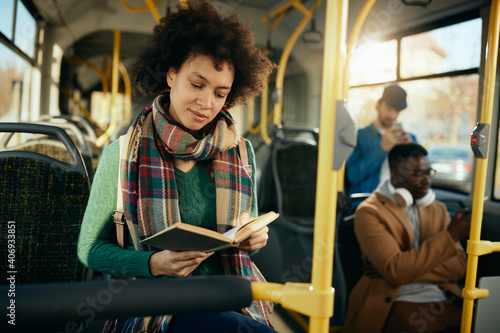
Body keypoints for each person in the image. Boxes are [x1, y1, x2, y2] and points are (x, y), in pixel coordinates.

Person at [77, 1, 276, 332]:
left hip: (228, 292)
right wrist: (153, 263)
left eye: (220, 93)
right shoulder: (123, 154)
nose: (206, 103)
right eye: (197, 85)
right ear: (171, 75)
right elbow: (89, 250)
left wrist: (253, 236)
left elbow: (246, 221)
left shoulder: (242, 151)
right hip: (154, 300)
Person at [343, 143, 470, 333]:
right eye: (418, 174)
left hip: (439, 297)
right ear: (396, 176)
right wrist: (450, 237)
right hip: (395, 299)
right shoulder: (369, 212)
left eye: (429, 172)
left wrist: (404, 267)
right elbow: (396, 270)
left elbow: (459, 266)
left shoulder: (437, 209)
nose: (427, 180)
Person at [345, 84, 417, 211]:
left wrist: (410, 151)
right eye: (389, 108)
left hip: (401, 203)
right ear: (378, 105)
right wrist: (382, 149)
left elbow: (422, 177)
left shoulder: (409, 138)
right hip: (368, 203)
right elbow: (352, 175)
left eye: (397, 111)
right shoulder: (360, 136)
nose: (393, 115)